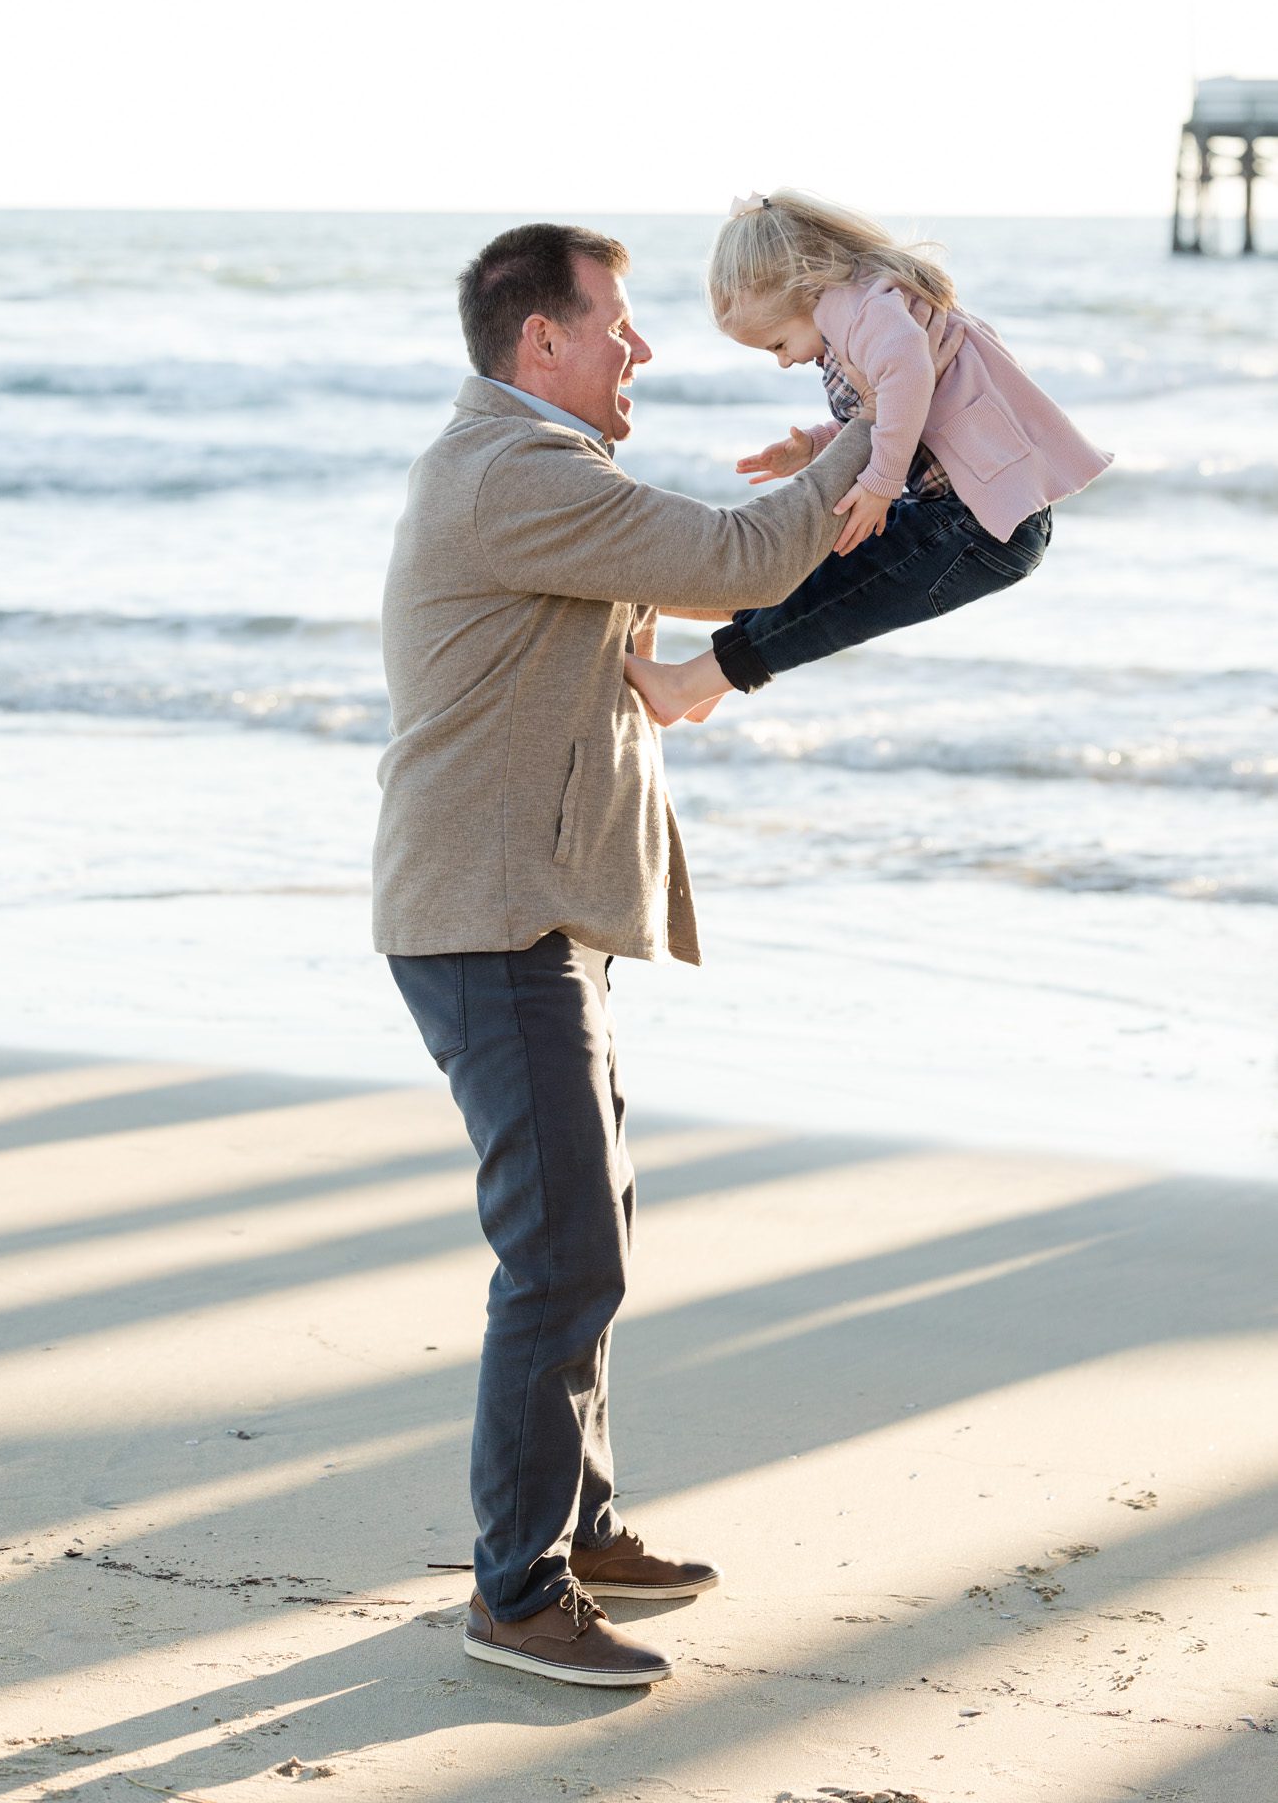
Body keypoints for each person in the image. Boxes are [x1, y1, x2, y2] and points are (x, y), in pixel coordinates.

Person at [372, 222, 873, 1687]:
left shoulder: (534, 475)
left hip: (528, 914)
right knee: (561, 1253)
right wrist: (881, 421)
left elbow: (715, 580)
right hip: (488, 917)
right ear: (543, 342)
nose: (641, 350)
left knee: (589, 1235)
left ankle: (578, 1531)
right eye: (619, 324)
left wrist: (839, 450)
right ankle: (515, 1591)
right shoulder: (509, 477)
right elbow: (740, 561)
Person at [622, 190, 1113, 726]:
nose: (785, 362)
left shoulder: (861, 307)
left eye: (778, 344)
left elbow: (907, 372)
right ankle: (709, 678)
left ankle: (690, 682)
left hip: (976, 524)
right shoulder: (859, 307)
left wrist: (880, 481)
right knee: (818, 574)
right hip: (957, 513)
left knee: (840, 599)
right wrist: (814, 442)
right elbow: (903, 408)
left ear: (805, 287)